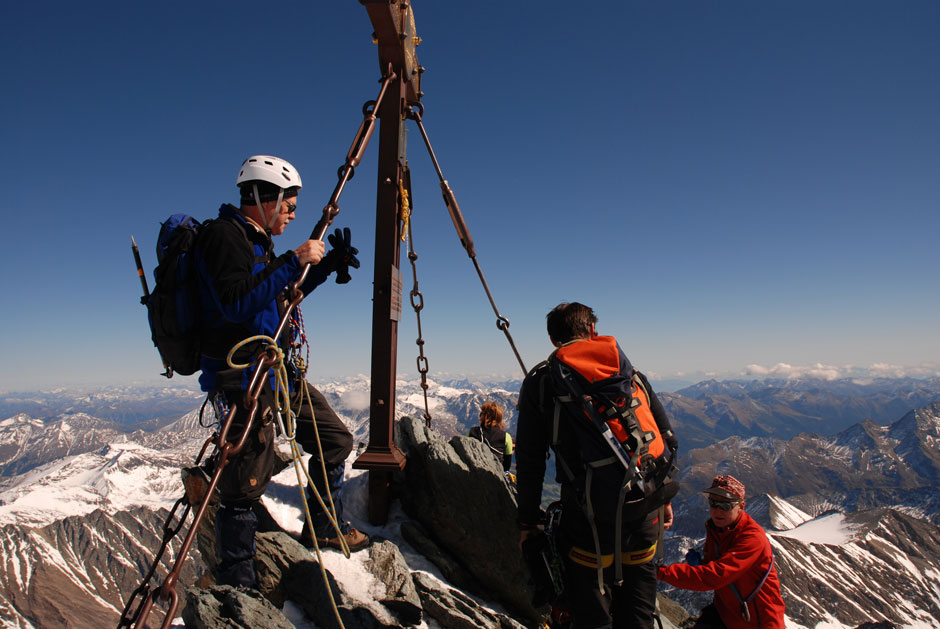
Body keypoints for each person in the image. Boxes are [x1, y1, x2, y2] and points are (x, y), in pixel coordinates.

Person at [194, 154, 369, 589]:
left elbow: (277, 298)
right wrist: (294, 259)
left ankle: (324, 524)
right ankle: (237, 578)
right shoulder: (223, 237)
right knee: (246, 477)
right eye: (288, 204)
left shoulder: (257, 244)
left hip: (276, 369)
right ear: (262, 197)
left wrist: (325, 268)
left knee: (335, 439)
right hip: (242, 375)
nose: (293, 213)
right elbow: (235, 301)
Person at [515, 302, 679, 628]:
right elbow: (663, 441)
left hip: (587, 522)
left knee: (592, 619)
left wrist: (528, 522)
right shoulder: (630, 377)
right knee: (640, 617)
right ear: (593, 331)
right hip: (643, 510)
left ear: (553, 340)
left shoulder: (543, 383)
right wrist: (664, 498)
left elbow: (531, 460)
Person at [658, 475, 785, 628]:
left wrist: (661, 573)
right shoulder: (717, 529)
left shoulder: (752, 539)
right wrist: (702, 564)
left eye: (726, 505)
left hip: (758, 623)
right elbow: (716, 569)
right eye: (713, 503)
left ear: (741, 506)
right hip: (727, 614)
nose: (718, 510)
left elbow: (715, 576)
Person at [468, 401, 514, 472]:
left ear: (483, 416)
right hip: (497, 475)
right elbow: (507, 465)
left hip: (473, 473)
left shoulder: (471, 432)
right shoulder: (506, 437)